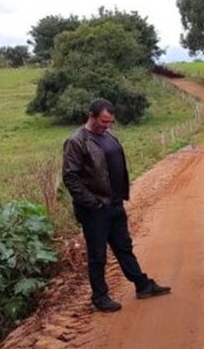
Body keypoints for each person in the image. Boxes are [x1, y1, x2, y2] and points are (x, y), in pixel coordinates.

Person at [62, 98, 171, 312]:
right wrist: (93, 203)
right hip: (94, 210)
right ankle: (100, 297)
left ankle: (142, 285)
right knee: (97, 255)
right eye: (103, 121)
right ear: (91, 116)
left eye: (110, 122)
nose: (107, 125)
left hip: (114, 205)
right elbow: (70, 178)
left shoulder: (108, 136)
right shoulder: (77, 141)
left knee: (124, 247)